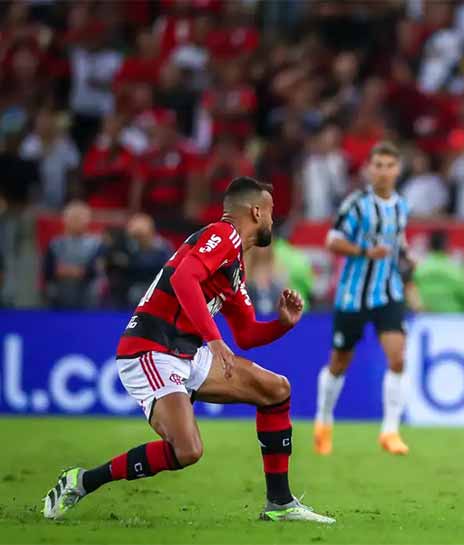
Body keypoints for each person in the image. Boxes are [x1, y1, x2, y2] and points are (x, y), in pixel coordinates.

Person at [42, 177, 334, 524]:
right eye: (271, 212)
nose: (273, 220)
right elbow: (183, 279)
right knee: (188, 451)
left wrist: (283, 324)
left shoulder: (235, 265)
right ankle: (81, 481)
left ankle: (280, 504)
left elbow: (246, 333)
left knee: (275, 390)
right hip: (152, 348)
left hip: (188, 353)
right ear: (257, 211)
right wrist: (214, 340)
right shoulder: (223, 235)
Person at [313, 142, 412, 456]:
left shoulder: (401, 206)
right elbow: (332, 241)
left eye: (389, 165)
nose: (383, 171)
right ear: (370, 169)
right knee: (339, 363)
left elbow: (398, 241)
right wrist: (365, 252)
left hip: (388, 293)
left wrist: (407, 255)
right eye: (378, 165)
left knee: (397, 358)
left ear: (398, 169)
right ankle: (324, 420)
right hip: (353, 295)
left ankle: (390, 431)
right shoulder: (356, 204)